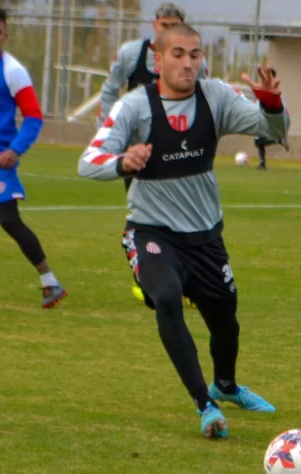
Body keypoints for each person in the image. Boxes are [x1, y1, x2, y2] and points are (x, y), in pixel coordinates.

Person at [78, 23, 288, 438]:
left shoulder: (216, 97)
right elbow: (88, 160)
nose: (188, 62)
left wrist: (271, 104)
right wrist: (122, 162)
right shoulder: (135, 106)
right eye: (178, 54)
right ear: (158, 58)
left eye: (195, 54)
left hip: (206, 238)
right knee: (168, 299)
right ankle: (205, 405)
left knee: (226, 323)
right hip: (151, 233)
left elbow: (275, 133)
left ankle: (225, 387)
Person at [98, 2, 208, 302]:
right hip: (137, 152)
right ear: (154, 25)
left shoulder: (194, 63)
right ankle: (147, 274)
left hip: (179, 149)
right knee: (145, 214)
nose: (168, 31)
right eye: (164, 25)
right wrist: (109, 134)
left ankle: (185, 278)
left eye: (174, 26)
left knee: (186, 212)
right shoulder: (131, 54)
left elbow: (207, 100)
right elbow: (109, 91)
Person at [0, 5, 66, 308]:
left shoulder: (12, 70)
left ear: (6, 36)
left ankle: (50, 281)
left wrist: (14, 150)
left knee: (9, 220)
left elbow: (33, 117)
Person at [252, 69, 289, 170]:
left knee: (259, 141)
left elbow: (280, 104)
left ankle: (278, 140)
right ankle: (263, 163)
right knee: (259, 142)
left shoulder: (274, 89)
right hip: (262, 116)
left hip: (269, 117)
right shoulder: (264, 86)